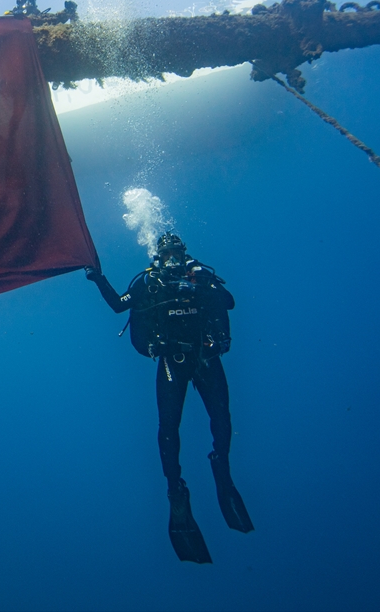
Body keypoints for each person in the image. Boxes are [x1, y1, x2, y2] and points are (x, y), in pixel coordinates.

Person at [85, 232, 253, 564]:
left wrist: (202, 283)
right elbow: (120, 305)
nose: (173, 261)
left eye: (178, 254)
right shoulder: (150, 283)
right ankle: (175, 488)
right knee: (168, 428)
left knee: (222, 419)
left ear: (184, 254)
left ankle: (221, 463)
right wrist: (97, 276)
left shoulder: (200, 276)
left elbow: (229, 301)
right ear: (158, 257)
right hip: (172, 360)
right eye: (168, 255)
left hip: (206, 359)